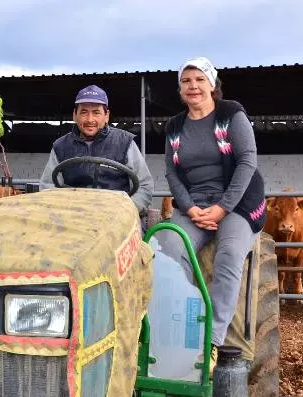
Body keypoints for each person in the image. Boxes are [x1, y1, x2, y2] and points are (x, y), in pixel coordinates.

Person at [158, 57, 267, 373]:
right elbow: (172, 173)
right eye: (186, 81)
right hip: (194, 205)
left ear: (212, 85)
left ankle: (212, 341)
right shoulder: (175, 126)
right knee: (167, 251)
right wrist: (190, 207)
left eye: (199, 79)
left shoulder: (231, 114)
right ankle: (181, 332)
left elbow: (247, 162)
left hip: (236, 203)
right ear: (180, 89)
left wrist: (222, 209)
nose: (192, 86)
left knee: (230, 254)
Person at [40, 84, 154, 216]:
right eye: (84, 112)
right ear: (74, 115)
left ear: (106, 116)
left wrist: (125, 211)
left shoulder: (125, 142)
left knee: (150, 238)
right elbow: (48, 187)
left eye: (96, 112)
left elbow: (144, 186)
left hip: (116, 216)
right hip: (74, 216)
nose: (90, 119)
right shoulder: (60, 146)